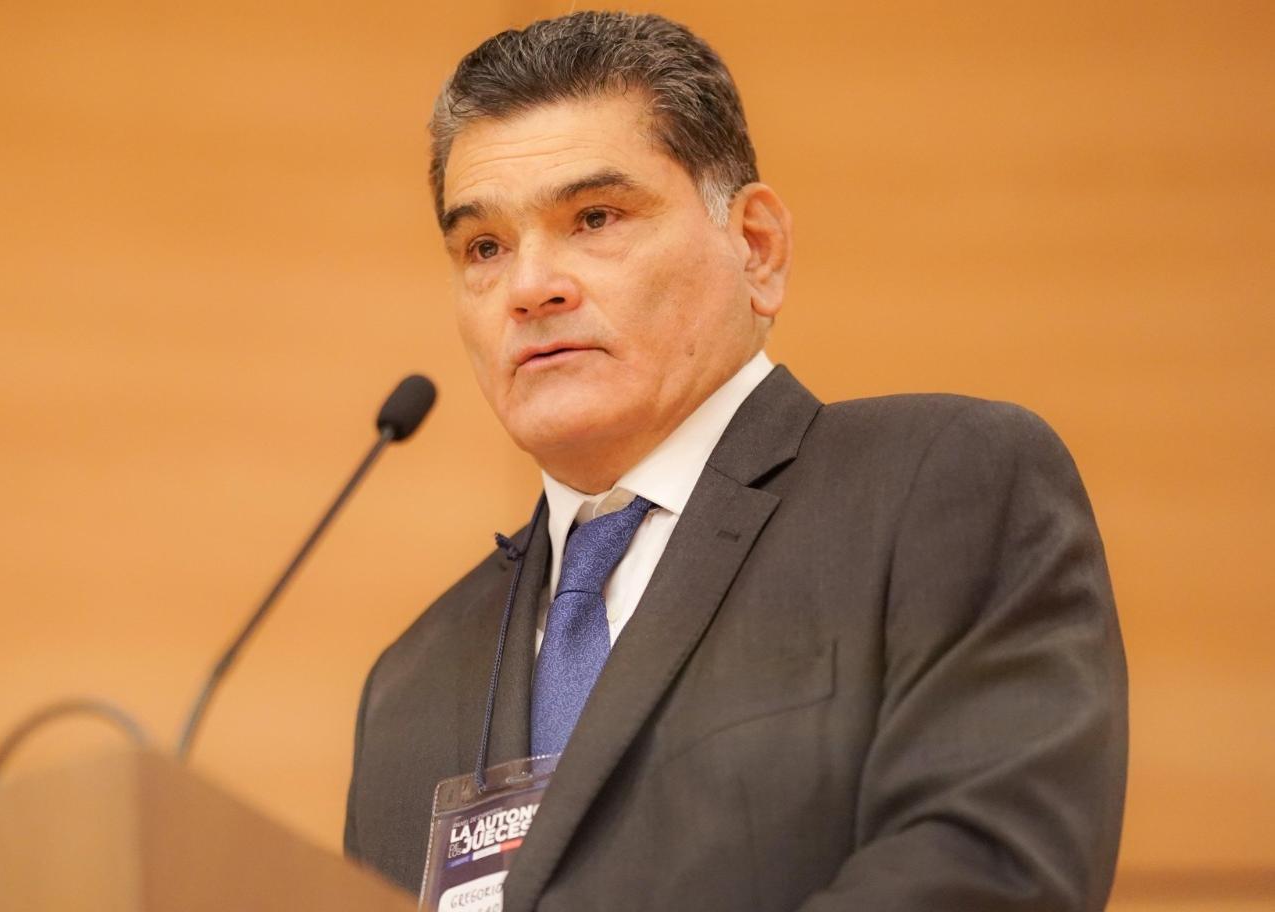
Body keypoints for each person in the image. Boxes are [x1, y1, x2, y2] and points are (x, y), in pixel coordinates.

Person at [344, 11, 1127, 912]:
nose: (529, 288)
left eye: (594, 218)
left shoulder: (937, 488)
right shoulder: (410, 684)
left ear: (755, 246)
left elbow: (986, 875)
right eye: (484, 247)